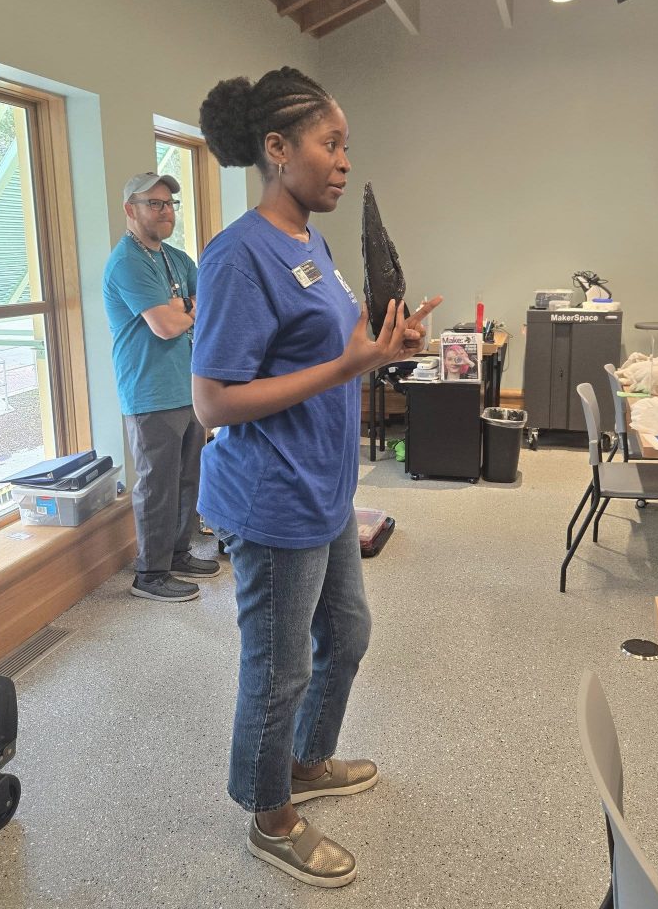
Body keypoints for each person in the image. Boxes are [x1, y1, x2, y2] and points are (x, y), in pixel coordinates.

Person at [192, 67, 441, 887]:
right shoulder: (237, 255)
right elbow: (213, 404)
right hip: (271, 497)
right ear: (276, 149)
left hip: (326, 483)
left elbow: (333, 352)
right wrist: (347, 369)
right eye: (329, 144)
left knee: (350, 634)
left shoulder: (313, 242)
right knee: (279, 665)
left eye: (345, 147)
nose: (342, 161)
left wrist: (379, 355)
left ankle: (305, 760)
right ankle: (269, 813)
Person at [103, 172, 220, 603]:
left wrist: (184, 305)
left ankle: (178, 553)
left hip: (189, 386)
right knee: (157, 483)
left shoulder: (175, 258)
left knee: (189, 476)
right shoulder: (127, 262)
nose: (165, 210)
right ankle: (149, 573)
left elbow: (214, 305)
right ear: (130, 210)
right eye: (155, 203)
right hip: (149, 390)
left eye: (170, 203)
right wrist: (188, 306)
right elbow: (167, 325)